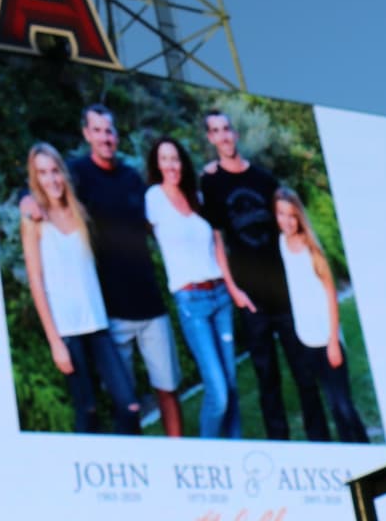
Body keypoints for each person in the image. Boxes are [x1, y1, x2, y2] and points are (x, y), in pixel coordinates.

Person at [23, 105, 183, 437]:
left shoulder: (119, 183)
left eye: (109, 130)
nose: (104, 137)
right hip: (93, 320)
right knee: (100, 407)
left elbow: (159, 210)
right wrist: (27, 199)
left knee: (148, 398)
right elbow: (47, 188)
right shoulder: (71, 183)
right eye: (97, 130)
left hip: (127, 311)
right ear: (86, 134)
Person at [199, 111, 329, 442]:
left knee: (303, 372)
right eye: (216, 131)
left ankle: (320, 440)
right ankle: (280, 442)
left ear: (235, 134)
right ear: (210, 139)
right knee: (266, 376)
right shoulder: (211, 183)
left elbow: (288, 229)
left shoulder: (264, 180)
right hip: (250, 297)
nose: (224, 136)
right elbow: (218, 241)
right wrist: (233, 290)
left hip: (283, 293)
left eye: (227, 129)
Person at [21, 144, 141, 434]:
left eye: (55, 171)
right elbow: (36, 281)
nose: (51, 179)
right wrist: (55, 342)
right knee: (87, 412)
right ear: (35, 178)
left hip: (97, 324)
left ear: (63, 172)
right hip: (67, 331)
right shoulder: (34, 221)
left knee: (129, 405)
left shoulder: (80, 213)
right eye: (43, 173)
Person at [144, 137, 241, 439]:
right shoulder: (153, 198)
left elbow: (217, 244)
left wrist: (233, 287)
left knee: (232, 385)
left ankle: (236, 452)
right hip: (191, 302)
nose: (171, 165)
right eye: (164, 159)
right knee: (218, 391)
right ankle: (208, 453)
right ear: (157, 165)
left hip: (220, 296)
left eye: (175, 158)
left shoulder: (198, 197)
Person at [273, 186, 369, 444]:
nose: (287, 221)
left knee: (342, 406)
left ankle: (363, 448)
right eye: (281, 214)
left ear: (300, 217)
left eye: (292, 215)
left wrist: (333, 341)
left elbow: (330, 295)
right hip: (305, 339)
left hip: (328, 341)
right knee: (328, 401)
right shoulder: (281, 243)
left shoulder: (312, 251)